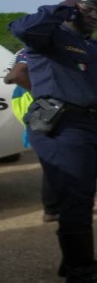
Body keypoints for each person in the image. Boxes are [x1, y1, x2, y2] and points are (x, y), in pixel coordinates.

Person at [9, 0, 97, 283]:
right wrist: (63, 9)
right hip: (62, 126)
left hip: (90, 126)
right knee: (76, 199)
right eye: (88, 9)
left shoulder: (96, 48)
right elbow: (22, 29)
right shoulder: (49, 37)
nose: (95, 15)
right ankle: (82, 273)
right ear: (72, 9)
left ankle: (75, 262)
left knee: (79, 199)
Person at [3, 48, 60, 223]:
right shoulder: (33, 48)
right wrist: (41, 95)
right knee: (55, 163)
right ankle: (53, 209)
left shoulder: (26, 50)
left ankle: (53, 208)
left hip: (28, 104)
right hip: (37, 106)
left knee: (52, 163)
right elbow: (12, 76)